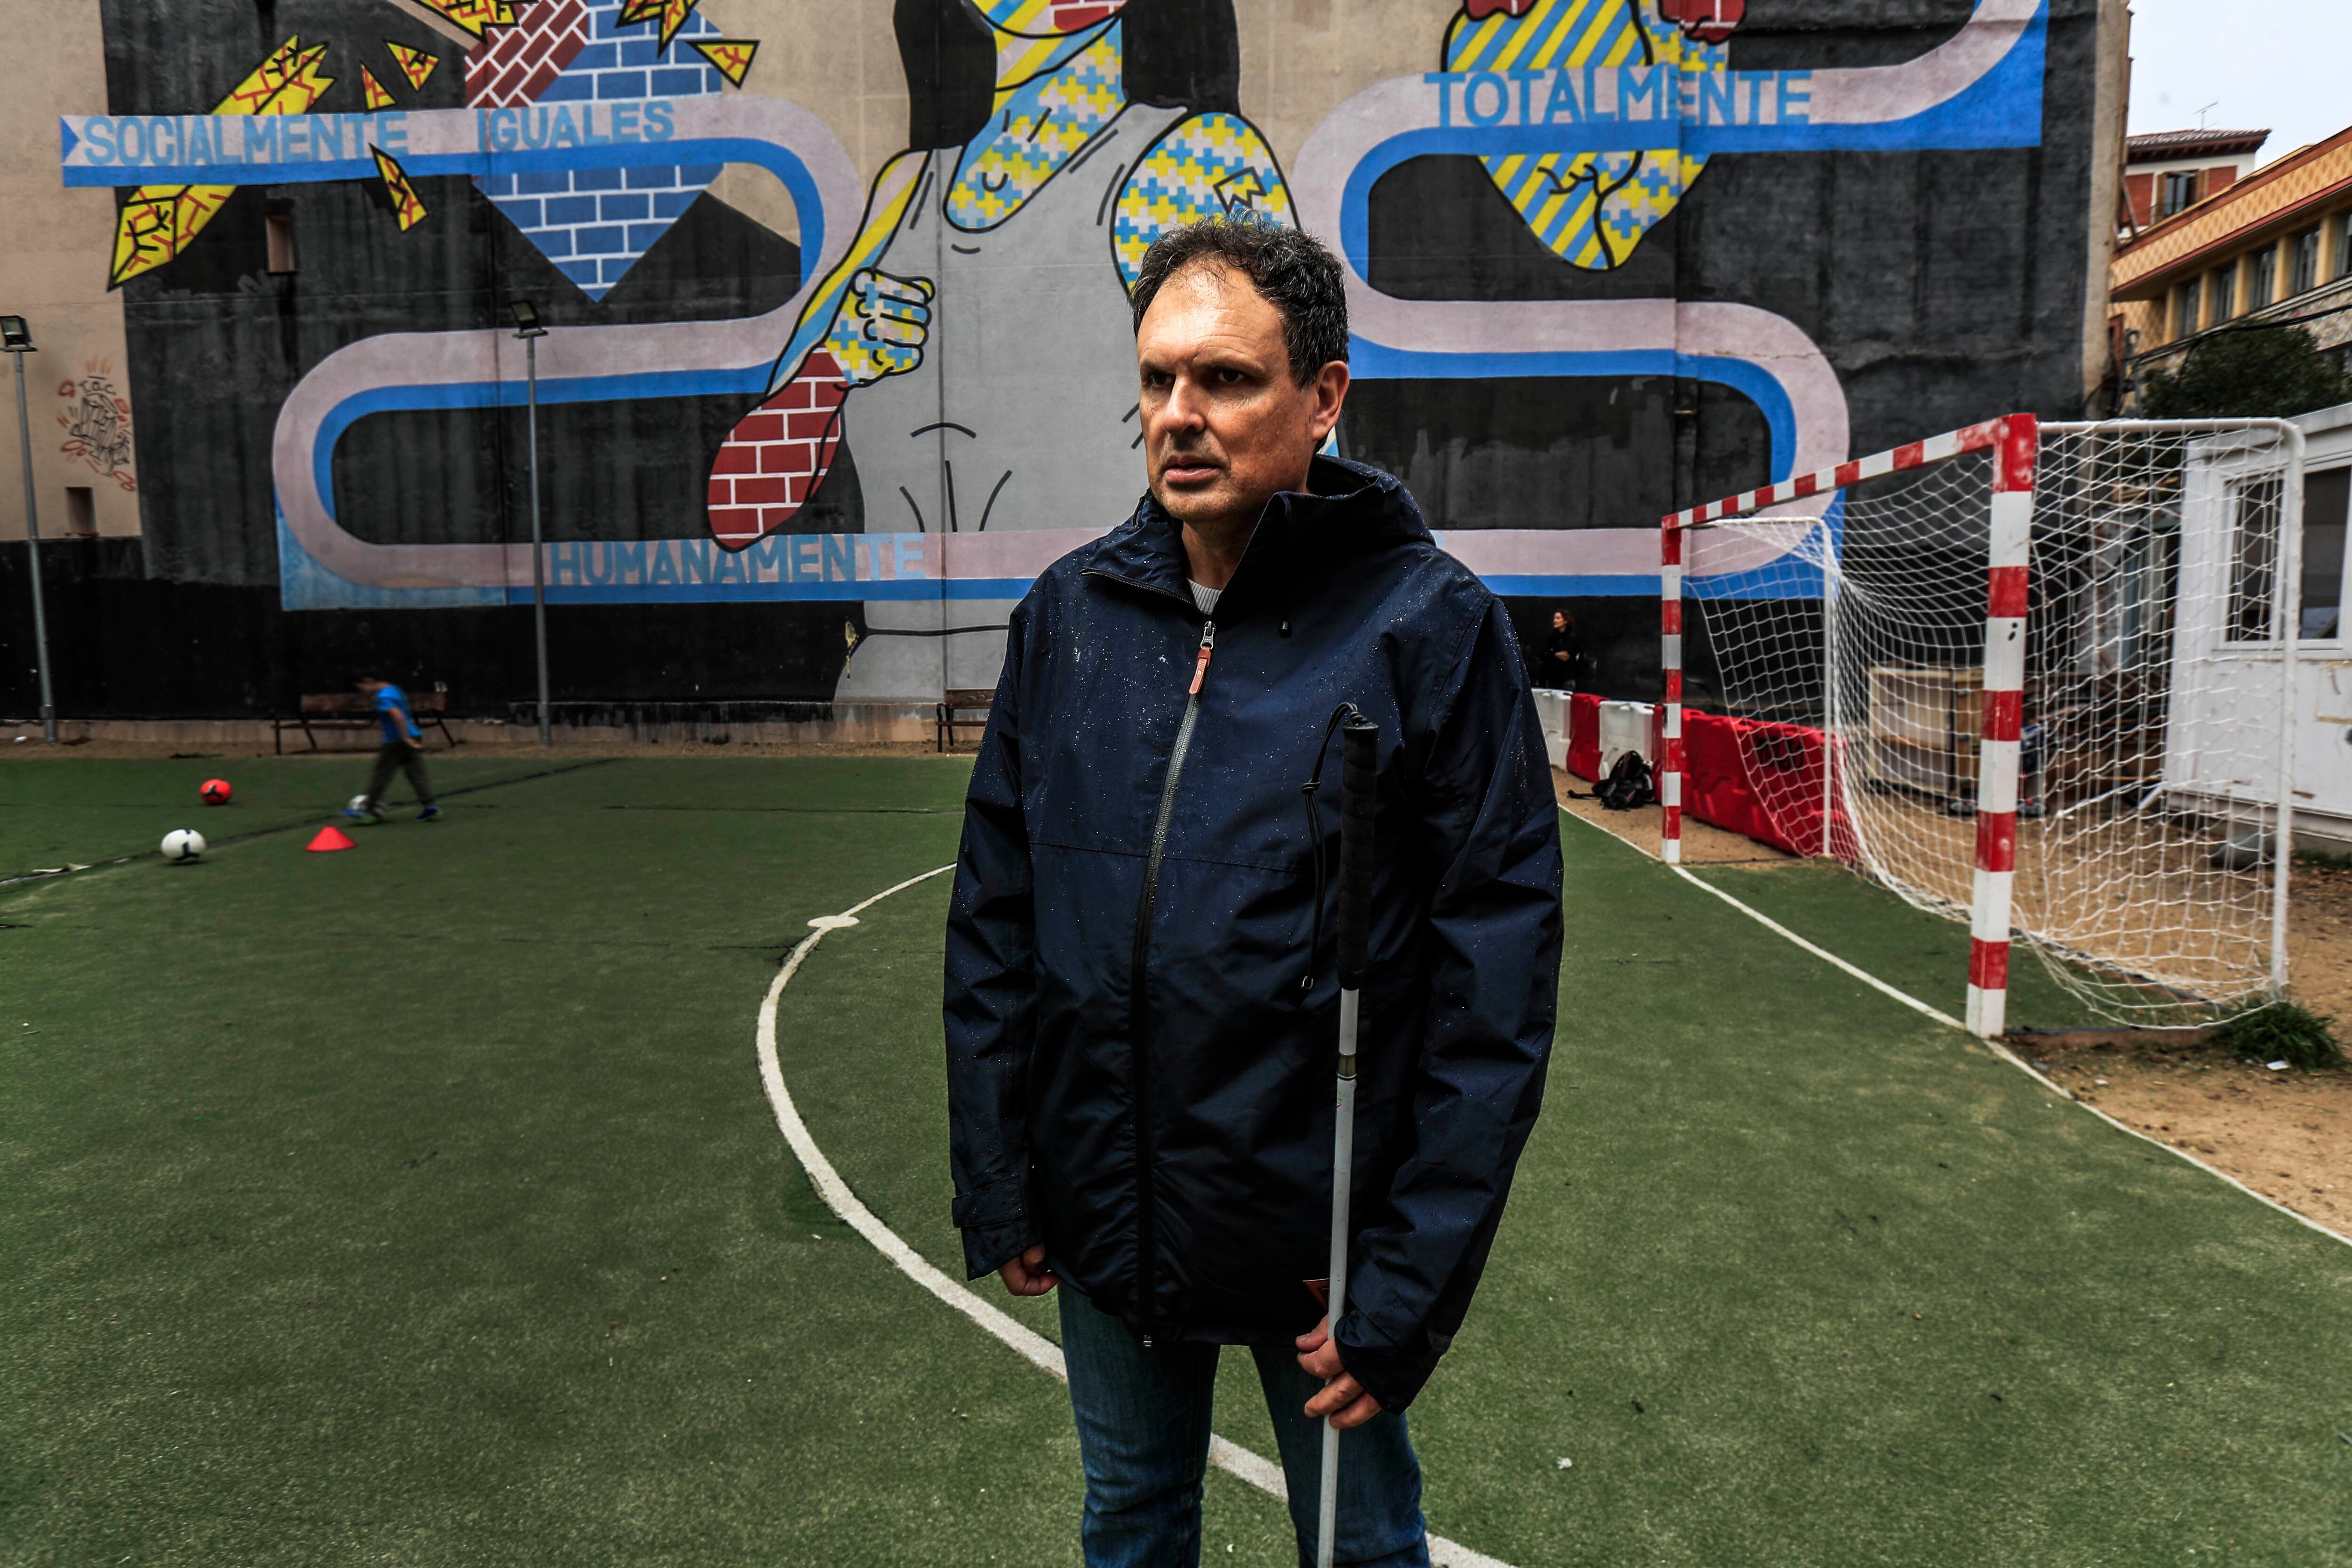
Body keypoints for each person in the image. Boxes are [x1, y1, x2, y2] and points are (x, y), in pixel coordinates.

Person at [944, 220, 1563, 1567]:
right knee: (1130, 1522)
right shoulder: (1068, 619)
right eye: (1159, 378)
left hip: (1323, 1249)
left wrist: (1404, 1282)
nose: (1179, 415)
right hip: (1109, 1211)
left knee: (1360, 1544)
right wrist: (1005, 1178)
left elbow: (1493, 991)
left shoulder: (1429, 625)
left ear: (1324, 396)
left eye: (1225, 379)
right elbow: (994, 919)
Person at [343, 673, 438, 824]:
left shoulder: (383, 697)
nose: (363, 692)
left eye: (361, 688)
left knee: (381, 775)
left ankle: (368, 811)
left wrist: (404, 737)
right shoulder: (394, 689)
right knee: (416, 774)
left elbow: (397, 715)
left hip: (396, 741)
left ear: (368, 681)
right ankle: (430, 807)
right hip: (414, 735)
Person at [1541, 607, 1585, 690]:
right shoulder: (1552, 637)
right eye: (1555, 618)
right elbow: (1543, 654)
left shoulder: (1572, 638)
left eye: (1558, 618)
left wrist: (1552, 653)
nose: (1555, 621)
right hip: (1553, 677)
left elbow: (1566, 656)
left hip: (1567, 677)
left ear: (1566, 621)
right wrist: (1555, 654)